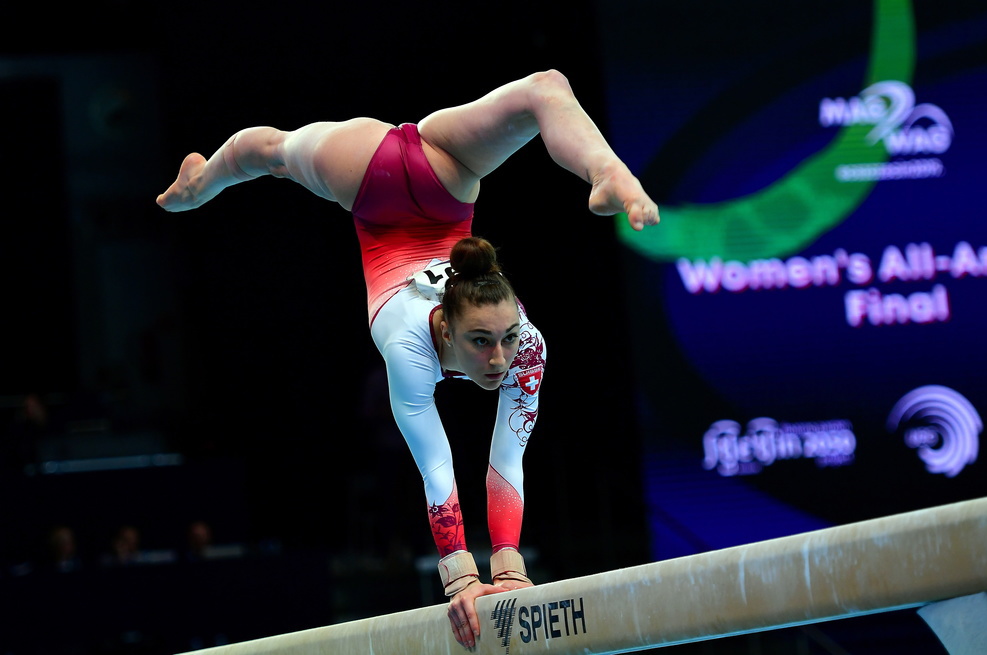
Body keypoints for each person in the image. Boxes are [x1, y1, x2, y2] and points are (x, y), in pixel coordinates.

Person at [157, 69, 659, 648]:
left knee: (546, 86)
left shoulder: (527, 346)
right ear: (445, 330)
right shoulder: (409, 348)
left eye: (507, 337)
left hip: (436, 185)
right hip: (372, 175)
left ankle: (606, 171)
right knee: (271, 152)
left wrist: (510, 565)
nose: (499, 359)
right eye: (481, 342)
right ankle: (201, 184)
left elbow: (507, 456)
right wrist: (462, 578)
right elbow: (436, 465)